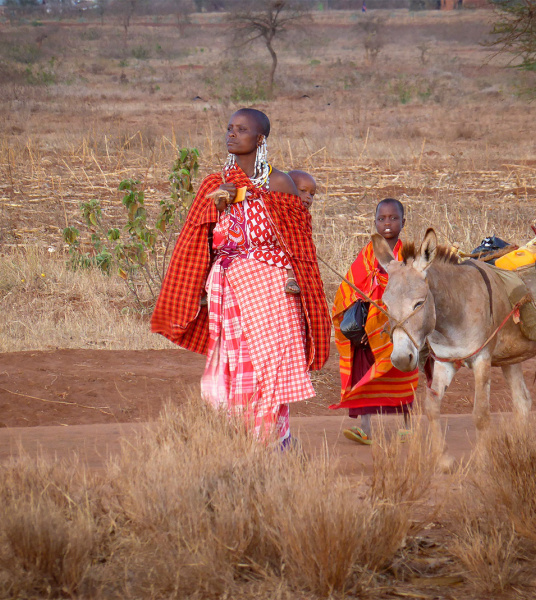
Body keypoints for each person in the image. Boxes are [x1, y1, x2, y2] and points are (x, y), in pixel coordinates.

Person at [151, 108, 331, 448]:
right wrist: (219, 205)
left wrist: (246, 196)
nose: (231, 134)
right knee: (233, 367)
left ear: (259, 139)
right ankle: (239, 443)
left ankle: (272, 444)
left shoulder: (279, 183)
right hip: (228, 287)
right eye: (230, 128)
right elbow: (195, 240)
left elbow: (299, 242)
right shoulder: (214, 185)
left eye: (242, 129)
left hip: (271, 290)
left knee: (267, 367)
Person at [330, 198, 419, 445]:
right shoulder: (368, 253)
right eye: (382, 219)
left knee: (403, 374)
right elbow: (350, 284)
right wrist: (365, 295)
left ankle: (408, 427)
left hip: (397, 328)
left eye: (393, 218)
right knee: (364, 376)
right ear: (375, 222)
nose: (387, 223)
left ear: (403, 221)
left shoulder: (408, 255)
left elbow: (414, 289)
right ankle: (365, 428)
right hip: (368, 330)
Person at [284, 170, 318, 295]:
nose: (308, 197)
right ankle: (291, 279)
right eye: (303, 191)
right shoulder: (280, 211)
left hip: (300, 259)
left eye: (312, 194)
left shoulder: (305, 217)